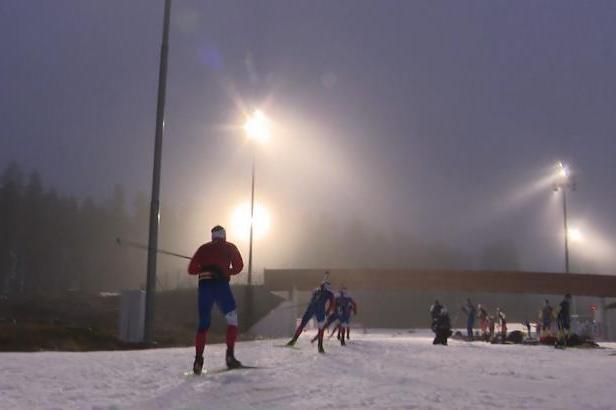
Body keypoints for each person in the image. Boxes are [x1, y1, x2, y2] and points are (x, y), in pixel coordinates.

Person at [188, 225, 244, 375]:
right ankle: (230, 356)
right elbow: (239, 266)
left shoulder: (203, 249)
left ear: (212, 236)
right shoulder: (230, 247)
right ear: (224, 235)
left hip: (204, 286)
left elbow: (191, 269)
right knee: (232, 318)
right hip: (221, 286)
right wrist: (226, 271)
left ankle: (198, 360)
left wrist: (203, 268)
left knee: (203, 324)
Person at [287, 275, 336, 353]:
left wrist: (327, 310)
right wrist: (328, 311)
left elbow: (314, 298)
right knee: (320, 328)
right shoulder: (329, 293)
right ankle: (320, 346)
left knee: (303, 324)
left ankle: (293, 340)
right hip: (319, 310)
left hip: (311, 308)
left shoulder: (316, 290)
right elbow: (332, 303)